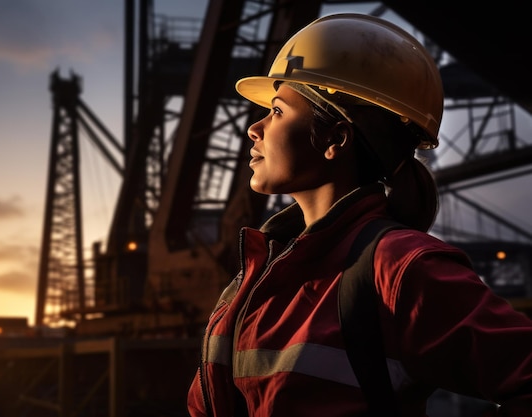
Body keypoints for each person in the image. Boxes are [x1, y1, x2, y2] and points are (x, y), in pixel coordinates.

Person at [186, 13, 532, 417]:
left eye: (277, 111)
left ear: (335, 139)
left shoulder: (400, 268)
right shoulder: (257, 274)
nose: (254, 128)